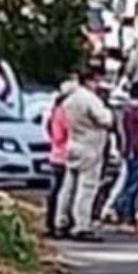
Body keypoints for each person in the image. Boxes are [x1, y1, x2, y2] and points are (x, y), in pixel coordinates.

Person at [55, 70, 115, 241]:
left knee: (68, 187)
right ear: (88, 81)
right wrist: (108, 112)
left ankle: (61, 221)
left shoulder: (70, 99)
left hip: (74, 143)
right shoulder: (90, 99)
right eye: (96, 81)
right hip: (90, 147)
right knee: (87, 188)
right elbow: (105, 120)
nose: (98, 84)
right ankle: (81, 225)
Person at [112, 81, 138, 232]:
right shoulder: (137, 110)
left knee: (132, 181)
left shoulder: (126, 110)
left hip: (132, 149)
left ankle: (126, 213)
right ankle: (125, 213)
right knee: (134, 183)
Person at [45, 79, 76, 237]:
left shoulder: (54, 111)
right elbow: (60, 135)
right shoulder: (63, 112)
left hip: (56, 154)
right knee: (63, 191)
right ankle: (57, 221)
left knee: (57, 190)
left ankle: (52, 221)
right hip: (63, 155)